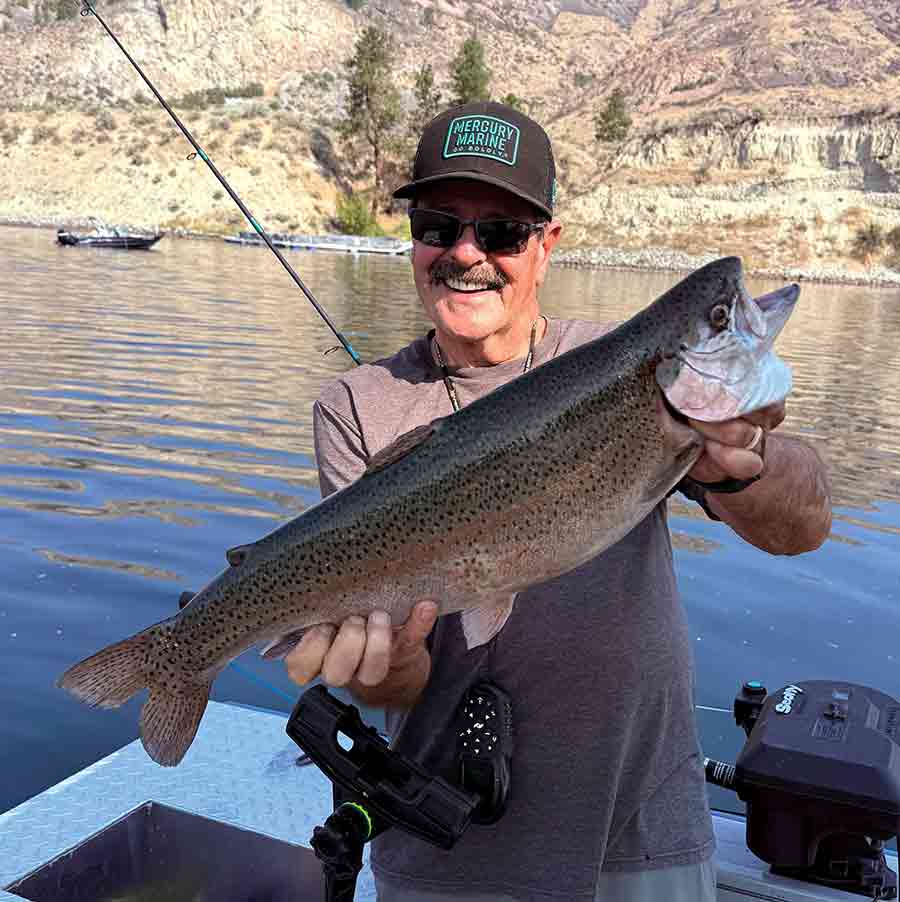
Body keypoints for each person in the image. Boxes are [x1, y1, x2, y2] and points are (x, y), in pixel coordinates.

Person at [285, 101, 832, 901]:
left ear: (546, 246)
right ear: (413, 241)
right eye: (439, 225)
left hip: (643, 833)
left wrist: (743, 464)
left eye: (501, 233)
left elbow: (807, 523)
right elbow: (391, 688)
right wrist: (382, 669)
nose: (466, 253)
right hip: (450, 848)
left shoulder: (620, 369)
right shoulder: (357, 405)